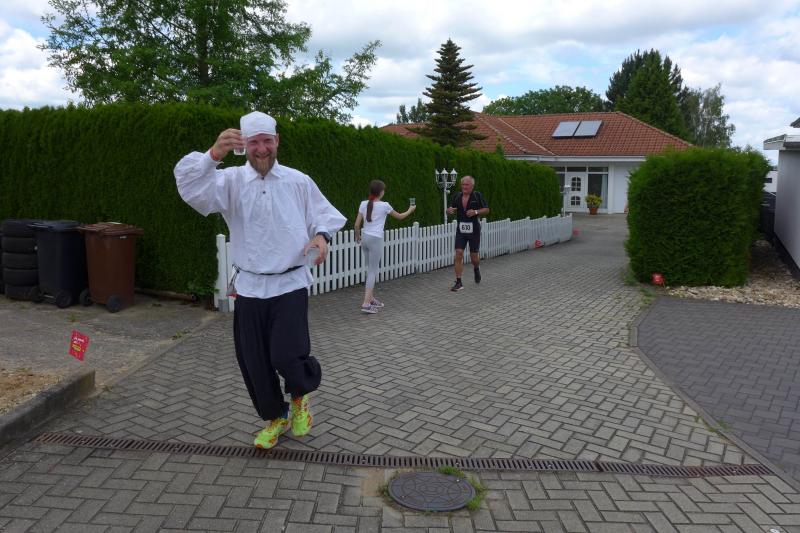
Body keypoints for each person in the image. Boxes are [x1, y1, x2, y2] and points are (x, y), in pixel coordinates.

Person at [174, 111, 346, 449]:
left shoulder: (298, 180)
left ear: (277, 141)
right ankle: (276, 417)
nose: (262, 149)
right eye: (254, 142)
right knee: (253, 361)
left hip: (290, 283)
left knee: (286, 354)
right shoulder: (229, 181)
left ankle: (300, 396)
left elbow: (323, 214)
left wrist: (321, 236)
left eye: (267, 141)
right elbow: (190, 188)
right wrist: (213, 154)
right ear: (244, 146)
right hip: (250, 286)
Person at [353, 180, 416, 313]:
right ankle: (366, 304)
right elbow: (400, 217)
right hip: (376, 239)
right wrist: (410, 210)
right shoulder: (384, 205)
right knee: (372, 271)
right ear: (381, 192)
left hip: (365, 238)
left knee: (370, 269)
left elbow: (356, 225)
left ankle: (370, 299)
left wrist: (357, 237)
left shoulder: (363, 203)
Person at [446, 175, 489, 291]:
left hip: (474, 230)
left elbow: (486, 209)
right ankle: (459, 282)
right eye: (463, 184)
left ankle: (476, 268)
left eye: (467, 185)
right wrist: (448, 211)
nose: (464, 187)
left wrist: (476, 212)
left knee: (474, 258)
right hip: (461, 230)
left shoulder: (477, 196)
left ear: (472, 186)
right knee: (458, 253)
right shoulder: (457, 196)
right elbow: (450, 209)